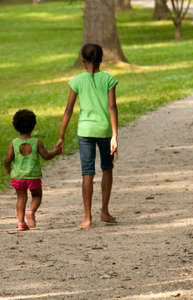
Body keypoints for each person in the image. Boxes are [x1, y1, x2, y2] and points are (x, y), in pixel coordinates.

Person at [56, 43, 118, 229]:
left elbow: (68, 110)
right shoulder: (109, 79)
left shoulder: (77, 81)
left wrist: (61, 136)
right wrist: (115, 135)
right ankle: (105, 211)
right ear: (101, 59)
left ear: (83, 60)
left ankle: (87, 217)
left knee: (87, 172)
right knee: (107, 168)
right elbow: (112, 107)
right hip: (105, 131)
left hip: (85, 131)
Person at [4, 109, 61, 231]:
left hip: (18, 177)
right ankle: (31, 211)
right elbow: (46, 156)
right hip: (33, 176)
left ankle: (20, 223)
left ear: (15, 125)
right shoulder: (36, 142)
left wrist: (7, 168)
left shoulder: (14, 143)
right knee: (37, 195)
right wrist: (56, 152)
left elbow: (8, 159)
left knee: (21, 198)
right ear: (33, 125)